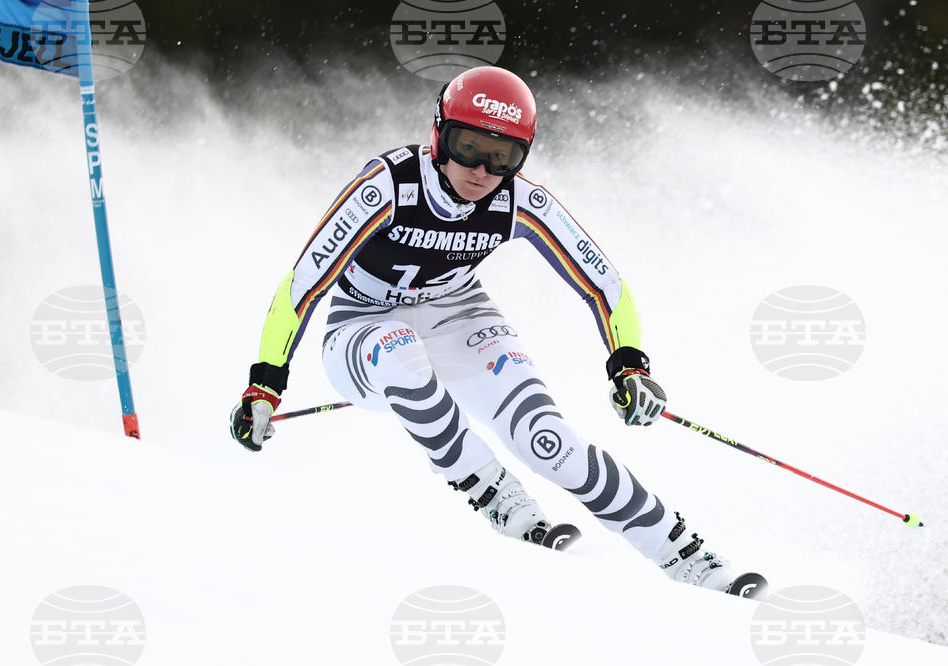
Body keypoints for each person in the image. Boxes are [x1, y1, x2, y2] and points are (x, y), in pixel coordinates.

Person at [230, 66, 751, 593]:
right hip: (361, 326)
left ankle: (687, 556)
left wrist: (630, 367)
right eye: (468, 146)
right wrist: (265, 383)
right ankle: (500, 499)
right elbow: (301, 287)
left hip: (459, 314)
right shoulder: (387, 188)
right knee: (400, 352)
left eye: (503, 157)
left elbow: (605, 285)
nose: (481, 170)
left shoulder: (519, 201)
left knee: (548, 441)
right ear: (440, 135)